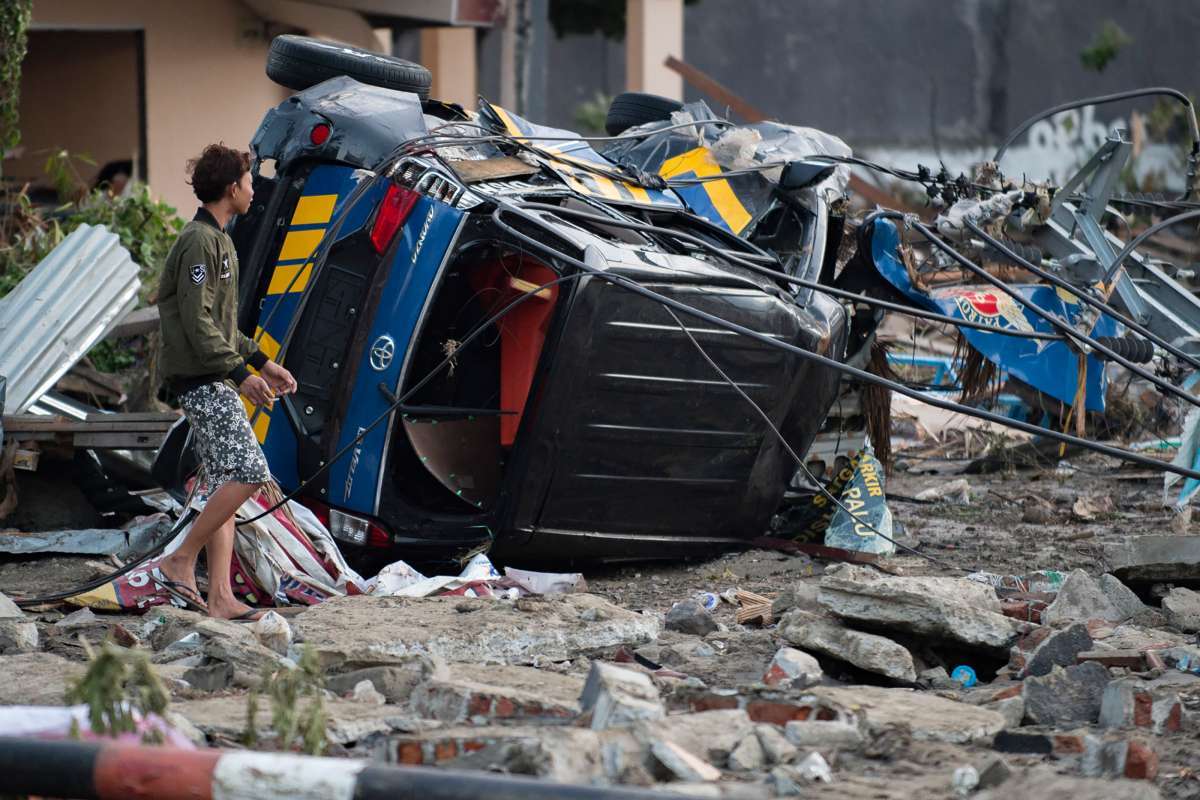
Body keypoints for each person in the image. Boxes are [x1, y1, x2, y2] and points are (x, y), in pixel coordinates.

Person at [154, 143, 297, 620]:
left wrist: (263, 362)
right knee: (249, 472)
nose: (255, 190)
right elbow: (198, 326)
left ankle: (220, 598)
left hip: (214, 373)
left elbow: (222, 324)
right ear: (232, 187)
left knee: (222, 482)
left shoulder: (219, 241)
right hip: (202, 379)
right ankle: (178, 560)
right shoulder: (199, 241)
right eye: (250, 181)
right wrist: (241, 376)